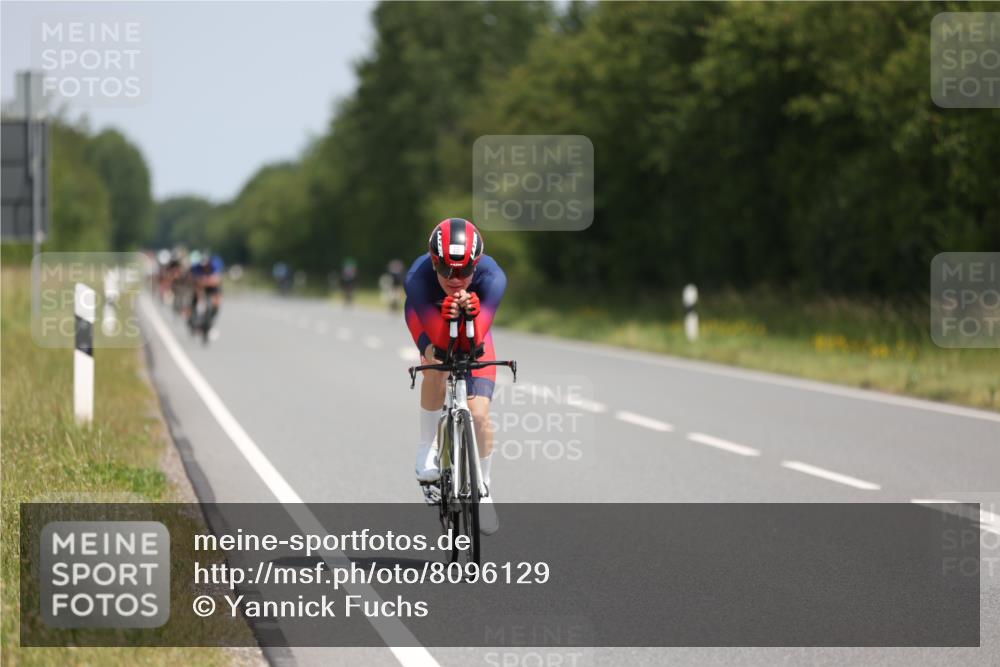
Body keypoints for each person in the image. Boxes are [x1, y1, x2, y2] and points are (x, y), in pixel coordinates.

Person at [404, 218, 506, 535]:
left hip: (476, 333)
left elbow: (475, 345)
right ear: (435, 262)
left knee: (479, 414)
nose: (455, 279)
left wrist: (472, 315)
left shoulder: (492, 279)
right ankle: (427, 449)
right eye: (446, 270)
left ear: (476, 265)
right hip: (429, 325)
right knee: (436, 367)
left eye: (463, 272)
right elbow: (439, 340)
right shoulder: (418, 278)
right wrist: (443, 323)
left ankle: (484, 487)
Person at [189, 251, 224, 336]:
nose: (205, 267)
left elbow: (217, 280)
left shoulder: (214, 266)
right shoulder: (197, 268)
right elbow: (193, 279)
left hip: (212, 288)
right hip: (200, 287)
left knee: (217, 301)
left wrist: (206, 281)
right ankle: (195, 317)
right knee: (197, 297)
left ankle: (211, 319)